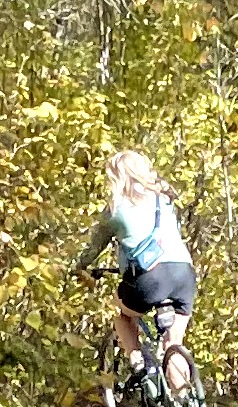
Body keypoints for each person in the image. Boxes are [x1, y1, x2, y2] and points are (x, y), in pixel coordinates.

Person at [72, 150, 196, 386]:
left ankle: (138, 361)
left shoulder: (115, 208)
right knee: (174, 343)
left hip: (150, 278)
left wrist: (79, 267)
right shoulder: (165, 200)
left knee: (123, 316)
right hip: (184, 273)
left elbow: (94, 247)